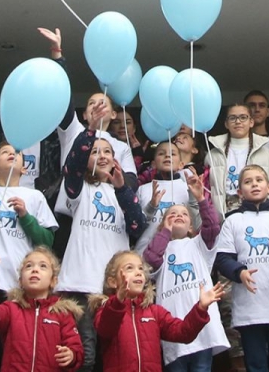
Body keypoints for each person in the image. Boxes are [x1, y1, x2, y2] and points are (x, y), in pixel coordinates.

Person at [57, 113, 148, 372]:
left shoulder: (123, 194)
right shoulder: (78, 190)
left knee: (116, 355)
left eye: (107, 151)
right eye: (95, 151)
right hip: (82, 285)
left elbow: (137, 226)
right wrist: (90, 131)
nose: (103, 155)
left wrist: (121, 188)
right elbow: (72, 167)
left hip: (115, 289)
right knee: (86, 354)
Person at [0, 140, 61, 371]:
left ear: (25, 168)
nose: (11, 154)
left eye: (16, 153)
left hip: (19, 288)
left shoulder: (34, 196)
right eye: (4, 152)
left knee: (14, 352)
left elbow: (47, 241)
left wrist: (25, 216)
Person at [213, 166, 269, 372]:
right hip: (249, 309)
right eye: (248, 181)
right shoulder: (232, 221)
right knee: (255, 364)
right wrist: (239, 272)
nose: (254, 184)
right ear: (239, 192)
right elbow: (223, 258)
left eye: (259, 180)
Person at [142, 174, 230, 372]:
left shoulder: (198, 245)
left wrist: (201, 199)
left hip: (202, 324)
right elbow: (151, 260)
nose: (178, 215)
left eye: (183, 213)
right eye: (171, 214)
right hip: (173, 324)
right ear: (162, 224)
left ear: (191, 226)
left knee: (201, 367)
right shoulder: (160, 249)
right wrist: (164, 232)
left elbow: (212, 227)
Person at [92, 251, 227, 372]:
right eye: (129, 268)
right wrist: (118, 300)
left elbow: (183, 332)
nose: (138, 272)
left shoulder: (154, 312)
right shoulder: (106, 309)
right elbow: (106, 329)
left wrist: (200, 308)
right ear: (113, 282)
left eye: (140, 268)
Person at [0, 248, 84, 372]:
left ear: (53, 281)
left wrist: (72, 355)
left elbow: (76, 348)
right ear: (20, 281)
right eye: (29, 266)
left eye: (43, 266)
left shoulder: (62, 313)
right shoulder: (11, 309)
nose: (35, 269)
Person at [207, 103, 269, 216]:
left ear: (251, 122)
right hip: (222, 214)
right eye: (232, 118)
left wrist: (268, 214)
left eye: (243, 117)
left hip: (258, 214)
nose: (238, 121)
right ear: (226, 124)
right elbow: (206, 189)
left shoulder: (266, 155)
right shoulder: (213, 154)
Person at [245, 90, 269, 158]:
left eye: (262, 105)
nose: (257, 109)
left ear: (268, 112)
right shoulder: (235, 141)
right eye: (252, 105)